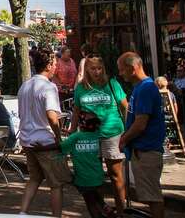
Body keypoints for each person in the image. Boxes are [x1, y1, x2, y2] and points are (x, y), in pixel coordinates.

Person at [70, 53, 129, 214]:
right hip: (89, 135)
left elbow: (125, 106)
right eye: (92, 68)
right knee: (90, 175)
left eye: (99, 68)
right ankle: (101, 208)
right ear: (86, 69)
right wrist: (72, 132)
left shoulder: (112, 84)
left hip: (112, 133)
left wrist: (127, 130)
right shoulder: (81, 88)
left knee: (115, 174)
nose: (96, 72)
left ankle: (121, 211)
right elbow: (76, 111)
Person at [17, 46, 71, 217]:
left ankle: (23, 212)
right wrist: (58, 137)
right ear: (48, 65)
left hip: (27, 140)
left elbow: (21, 113)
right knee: (56, 184)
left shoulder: (24, 86)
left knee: (34, 178)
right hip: (45, 141)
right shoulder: (49, 87)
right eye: (54, 64)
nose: (56, 67)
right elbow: (52, 116)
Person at [118, 52, 166, 218]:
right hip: (141, 150)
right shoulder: (140, 87)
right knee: (150, 195)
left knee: (153, 196)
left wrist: (124, 139)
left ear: (132, 68)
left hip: (147, 150)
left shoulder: (145, 88)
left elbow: (140, 124)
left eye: (122, 69)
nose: (120, 73)